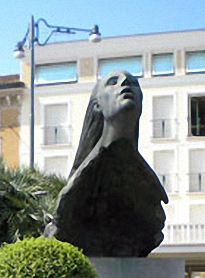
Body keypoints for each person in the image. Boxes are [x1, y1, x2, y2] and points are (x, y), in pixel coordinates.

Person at [44, 70, 168, 257]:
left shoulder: (147, 186)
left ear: (141, 104)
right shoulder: (78, 187)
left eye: (133, 83)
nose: (125, 83)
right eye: (112, 82)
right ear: (97, 106)